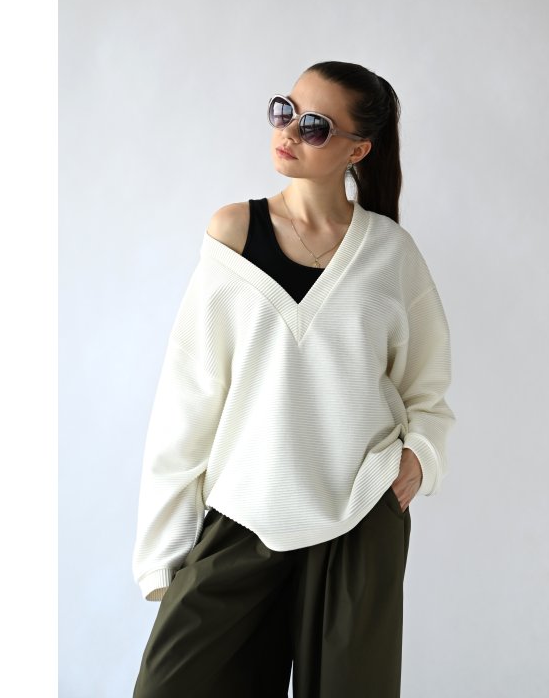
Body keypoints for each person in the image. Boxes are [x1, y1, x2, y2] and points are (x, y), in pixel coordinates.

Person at [131, 60, 456, 697]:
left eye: (314, 126)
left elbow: (427, 388)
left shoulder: (391, 254)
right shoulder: (234, 232)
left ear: (357, 150)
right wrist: (164, 554)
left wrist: (420, 456)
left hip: (359, 518)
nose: (287, 131)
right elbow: (189, 396)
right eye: (286, 110)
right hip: (244, 516)